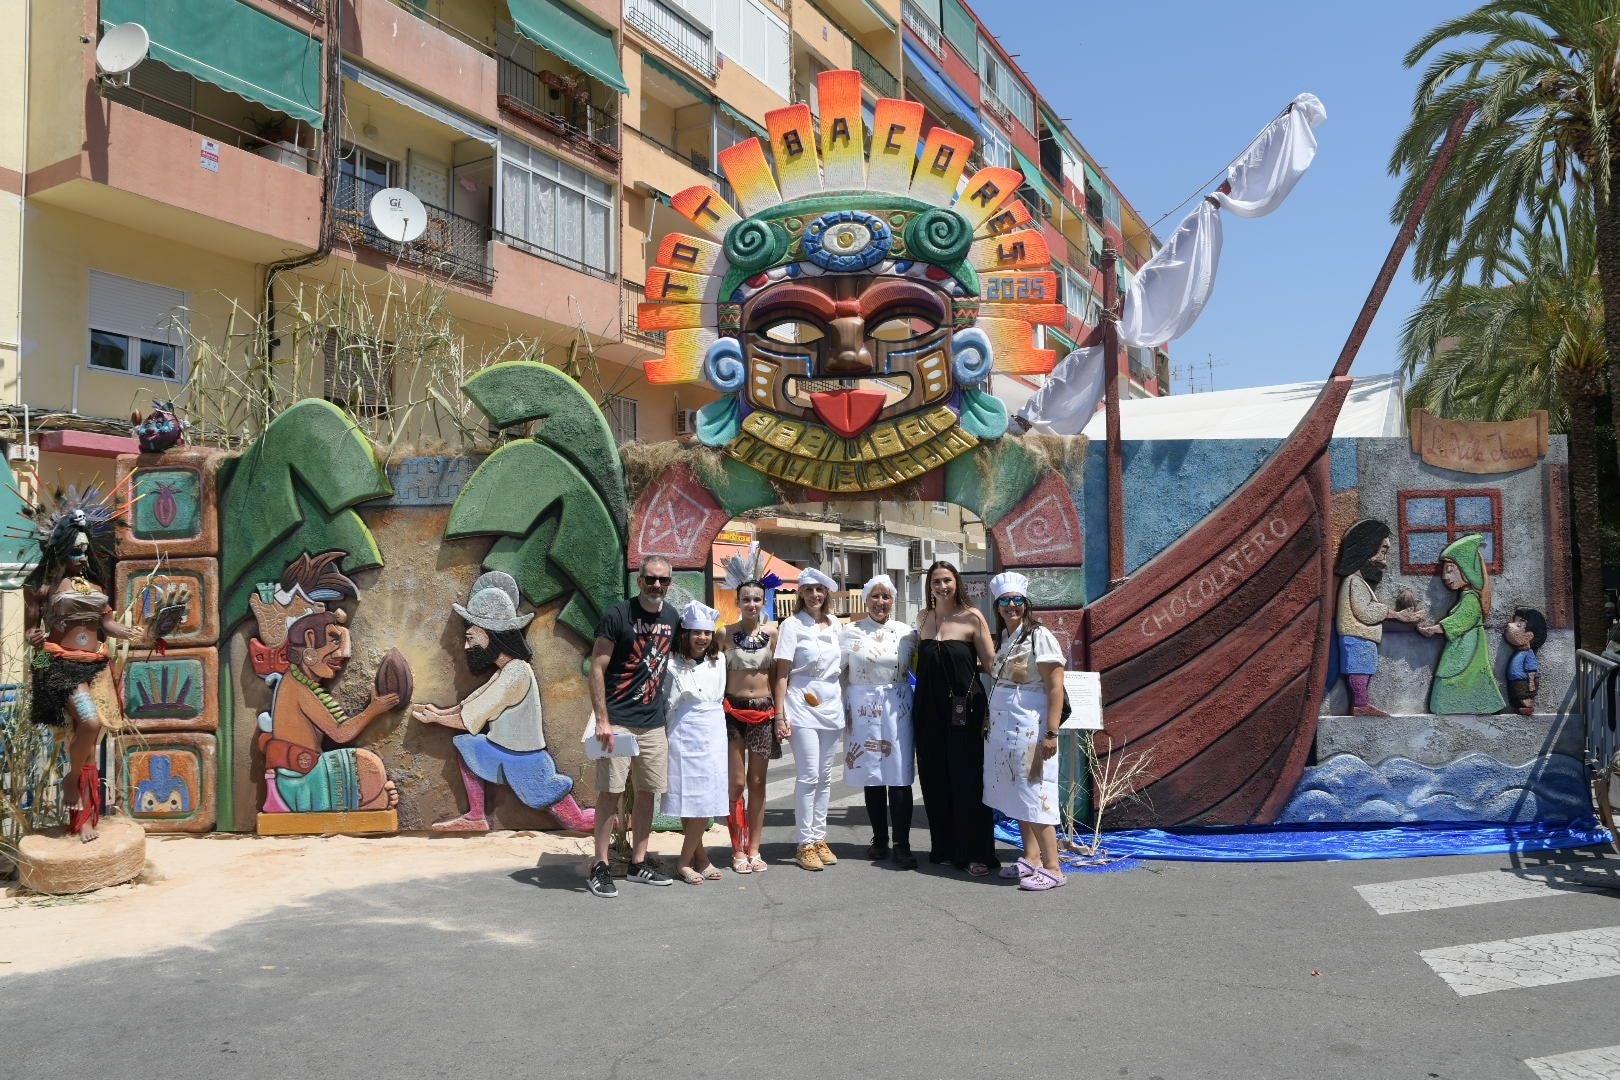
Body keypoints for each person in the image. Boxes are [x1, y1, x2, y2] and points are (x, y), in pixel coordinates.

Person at [23, 499, 183, 842]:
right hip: (59, 666)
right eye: (75, 551)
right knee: (90, 723)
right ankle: (70, 782)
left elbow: (107, 623)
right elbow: (29, 634)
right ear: (61, 549)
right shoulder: (43, 589)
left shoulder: (95, 588)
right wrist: (34, 640)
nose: (81, 557)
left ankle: (84, 820)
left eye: (85, 551)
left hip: (94, 665)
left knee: (91, 741)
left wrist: (128, 632)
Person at [411, 571, 594, 832]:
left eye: (471, 636)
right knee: (468, 746)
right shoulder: (506, 670)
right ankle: (476, 816)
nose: (466, 646)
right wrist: (439, 712)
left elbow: (471, 717)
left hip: (526, 762)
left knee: (577, 821)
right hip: (504, 753)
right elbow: (473, 702)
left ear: (490, 634)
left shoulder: (517, 673)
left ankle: (620, 821)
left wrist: (437, 718)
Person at [586, 556, 681, 898]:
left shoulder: (671, 618)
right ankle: (599, 865)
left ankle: (639, 862)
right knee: (610, 794)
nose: (658, 586)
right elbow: (597, 668)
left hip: (653, 723)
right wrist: (602, 719)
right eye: (652, 579)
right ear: (639, 581)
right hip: (619, 722)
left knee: (647, 795)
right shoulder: (617, 615)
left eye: (664, 581)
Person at [912, 560, 998, 876]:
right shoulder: (923, 619)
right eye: (936, 581)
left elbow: (991, 665)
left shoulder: (972, 617)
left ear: (956, 582)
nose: (942, 586)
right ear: (930, 586)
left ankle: (975, 852)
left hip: (965, 710)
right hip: (928, 709)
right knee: (934, 778)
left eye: (947, 580)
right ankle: (945, 848)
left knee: (967, 779)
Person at [984, 573, 1068, 892]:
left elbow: (1056, 686)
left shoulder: (1039, 635)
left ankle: (1053, 866)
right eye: (1005, 601)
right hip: (1006, 727)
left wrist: (1051, 732)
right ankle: (1031, 857)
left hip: (1031, 725)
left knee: (1035, 791)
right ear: (997, 605)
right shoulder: (1005, 638)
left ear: (1026, 603)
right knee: (1018, 791)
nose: (1011, 606)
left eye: (1017, 600)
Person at [841, 574, 918, 868]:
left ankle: (902, 843)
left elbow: (919, 670)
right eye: (875, 596)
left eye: (885, 596)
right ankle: (879, 839)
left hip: (898, 706)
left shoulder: (908, 633)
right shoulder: (850, 632)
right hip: (862, 707)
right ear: (866, 599)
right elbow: (836, 671)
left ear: (893, 600)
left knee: (899, 774)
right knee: (871, 774)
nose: (880, 602)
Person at [773, 566, 845, 871]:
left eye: (820, 589)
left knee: (826, 777)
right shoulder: (792, 625)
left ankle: (819, 837)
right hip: (801, 704)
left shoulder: (835, 624)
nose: (815, 595)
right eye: (809, 590)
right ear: (800, 593)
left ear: (826, 593)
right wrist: (780, 714)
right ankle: (804, 843)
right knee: (809, 776)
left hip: (831, 704)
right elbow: (781, 674)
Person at [662, 601, 729, 884]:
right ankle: (692, 860)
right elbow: (668, 704)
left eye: (707, 632)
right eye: (696, 632)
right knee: (689, 799)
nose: (702, 638)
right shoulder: (672, 664)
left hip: (712, 731)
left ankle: (690, 860)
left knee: (705, 799)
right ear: (685, 633)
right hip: (683, 732)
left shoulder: (719, 660)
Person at [1334, 520, 1426, 716]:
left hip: (1361, 638)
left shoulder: (1358, 582)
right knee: (1359, 669)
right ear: (1368, 548)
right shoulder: (1354, 582)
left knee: (1364, 668)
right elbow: (1365, 613)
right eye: (1382, 552)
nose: (1384, 561)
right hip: (1357, 638)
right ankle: (1360, 704)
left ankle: (1361, 703)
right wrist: (1395, 614)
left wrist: (1397, 615)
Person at [720, 579, 778, 874]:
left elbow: (781, 676)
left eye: (757, 599)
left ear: (764, 601)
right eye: (746, 599)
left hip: (763, 713)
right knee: (737, 784)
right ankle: (737, 847)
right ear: (737, 602)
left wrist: (781, 715)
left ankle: (754, 848)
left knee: (757, 783)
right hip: (733, 712)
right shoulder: (725, 634)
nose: (752, 604)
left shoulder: (773, 633)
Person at [1418, 534, 1507, 715]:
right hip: (1462, 648)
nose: (1445, 576)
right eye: (1444, 571)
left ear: (1466, 569)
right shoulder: (1465, 597)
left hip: (1467, 650)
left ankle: (1463, 704)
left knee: (1459, 676)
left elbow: (1460, 620)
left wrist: (1434, 629)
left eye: (1450, 570)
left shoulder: (1471, 599)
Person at [1503, 607, 1546, 716]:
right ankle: (1521, 706)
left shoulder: (1528, 653)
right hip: (1516, 680)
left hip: (1523, 681)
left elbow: (1531, 668)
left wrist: (1531, 683)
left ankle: (1527, 706)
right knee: (1517, 695)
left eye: (1518, 625)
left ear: (1529, 636)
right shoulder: (1520, 652)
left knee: (1524, 695)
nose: (1510, 625)